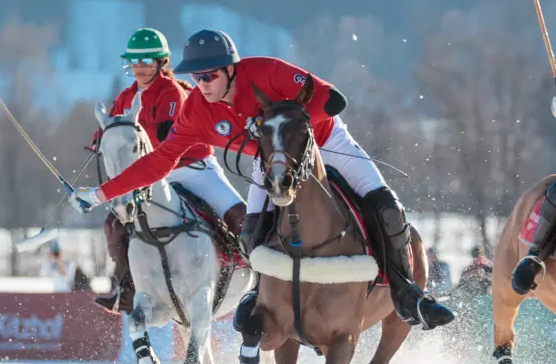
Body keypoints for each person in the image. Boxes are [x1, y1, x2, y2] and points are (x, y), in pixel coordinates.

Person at [71, 29, 454, 330]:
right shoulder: (196, 113)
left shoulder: (266, 71)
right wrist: (102, 192)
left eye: (210, 75)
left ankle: (408, 295)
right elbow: (160, 161)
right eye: (197, 77)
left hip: (325, 141)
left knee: (386, 209)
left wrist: (281, 116)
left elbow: (330, 98)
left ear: (231, 69)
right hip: (271, 164)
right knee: (251, 237)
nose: (202, 84)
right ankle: (258, 301)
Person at [92, 28, 245, 314]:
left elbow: (167, 137)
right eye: (134, 62)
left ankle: (258, 282)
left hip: (194, 169)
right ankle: (126, 287)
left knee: (240, 216)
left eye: (147, 61)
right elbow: (112, 129)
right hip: (153, 177)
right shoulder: (125, 98)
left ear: (161, 63)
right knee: (114, 225)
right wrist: (102, 139)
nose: (139, 68)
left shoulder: (173, 91)